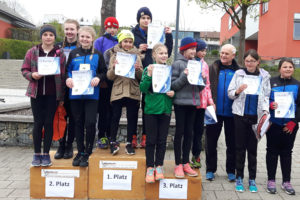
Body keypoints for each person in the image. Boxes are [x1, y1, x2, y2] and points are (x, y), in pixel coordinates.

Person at [21, 24, 66, 166]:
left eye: (51, 35)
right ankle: (36, 154)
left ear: (54, 37)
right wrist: (32, 75)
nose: (48, 37)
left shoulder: (59, 53)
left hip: (53, 94)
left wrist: (62, 97)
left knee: (48, 123)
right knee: (38, 122)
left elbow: (63, 75)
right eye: (45, 34)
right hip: (37, 93)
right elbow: (24, 69)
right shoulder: (32, 51)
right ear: (41, 36)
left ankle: (46, 154)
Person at [228, 49, 271, 192]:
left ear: (258, 61)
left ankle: (252, 178)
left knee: (253, 149)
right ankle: (239, 176)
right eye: (247, 61)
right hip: (240, 115)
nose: (250, 63)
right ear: (244, 61)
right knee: (239, 148)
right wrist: (238, 91)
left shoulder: (265, 76)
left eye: (252, 61)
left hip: (256, 117)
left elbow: (266, 96)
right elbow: (230, 93)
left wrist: (265, 113)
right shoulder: (239, 74)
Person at [131, 7, 173, 148]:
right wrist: (138, 49)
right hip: (138, 72)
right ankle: (132, 136)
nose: (146, 20)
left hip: (156, 73)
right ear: (138, 19)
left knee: (147, 104)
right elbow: (128, 50)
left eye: (148, 18)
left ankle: (145, 135)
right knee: (136, 105)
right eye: (143, 18)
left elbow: (167, 50)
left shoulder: (158, 32)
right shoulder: (133, 33)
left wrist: (169, 36)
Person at [66, 26, 107, 167]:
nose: (85, 39)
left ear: (92, 39)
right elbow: (67, 71)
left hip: (92, 95)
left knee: (90, 123)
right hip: (76, 95)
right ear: (79, 37)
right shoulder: (73, 53)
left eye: (87, 37)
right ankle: (80, 152)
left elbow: (104, 72)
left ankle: (88, 152)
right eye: (82, 36)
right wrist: (68, 79)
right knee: (77, 122)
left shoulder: (98, 54)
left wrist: (98, 78)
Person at [140, 43, 174, 183]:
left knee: (162, 140)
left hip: (165, 109)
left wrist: (173, 93)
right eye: (161, 53)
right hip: (151, 109)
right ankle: (149, 167)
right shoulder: (149, 68)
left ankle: (159, 166)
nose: (164, 56)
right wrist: (148, 75)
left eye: (165, 53)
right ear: (154, 55)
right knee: (151, 140)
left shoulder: (170, 70)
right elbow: (142, 88)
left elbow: (174, 86)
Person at [171, 37, 205, 178]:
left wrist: (203, 79)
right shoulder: (177, 64)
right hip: (180, 104)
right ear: (184, 49)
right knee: (179, 134)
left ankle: (186, 162)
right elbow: (173, 85)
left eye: (195, 49)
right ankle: (178, 164)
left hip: (193, 103)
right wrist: (185, 76)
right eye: (191, 48)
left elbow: (200, 88)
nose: (194, 51)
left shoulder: (196, 64)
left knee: (189, 134)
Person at [205, 44, 240, 181]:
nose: (223, 55)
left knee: (232, 143)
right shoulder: (212, 68)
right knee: (211, 142)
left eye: (227, 53)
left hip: (233, 113)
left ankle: (231, 170)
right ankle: (210, 169)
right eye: (222, 53)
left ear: (233, 56)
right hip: (214, 111)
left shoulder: (239, 71)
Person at [266, 58, 300, 195]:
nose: (288, 69)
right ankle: (271, 180)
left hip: (290, 125)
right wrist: (270, 105)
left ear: (293, 69)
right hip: (274, 124)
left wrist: (293, 123)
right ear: (279, 68)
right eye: (285, 67)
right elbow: (264, 99)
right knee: (272, 152)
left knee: (287, 153)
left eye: (290, 67)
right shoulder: (271, 82)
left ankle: (286, 181)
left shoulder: (297, 84)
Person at [107, 30, 143, 155]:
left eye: (130, 42)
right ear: (120, 42)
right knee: (115, 117)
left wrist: (138, 69)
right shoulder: (114, 56)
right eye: (125, 41)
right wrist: (114, 68)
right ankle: (113, 142)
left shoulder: (137, 56)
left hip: (133, 91)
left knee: (132, 118)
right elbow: (110, 76)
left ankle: (129, 143)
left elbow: (141, 76)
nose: (128, 44)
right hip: (118, 90)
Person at [55, 19, 80, 160]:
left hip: (76, 87)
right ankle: (61, 144)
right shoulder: (57, 47)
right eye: (67, 29)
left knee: (74, 118)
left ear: (77, 30)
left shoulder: (82, 46)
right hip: (60, 87)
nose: (69, 32)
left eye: (72, 29)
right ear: (64, 30)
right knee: (60, 117)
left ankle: (70, 145)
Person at [94, 17, 119, 149]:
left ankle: (111, 135)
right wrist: (101, 80)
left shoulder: (120, 41)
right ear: (105, 28)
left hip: (116, 81)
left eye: (115, 27)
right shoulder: (99, 41)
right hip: (104, 82)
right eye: (109, 27)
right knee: (103, 110)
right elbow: (97, 61)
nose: (112, 30)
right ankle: (102, 135)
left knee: (113, 110)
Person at [190, 39, 214, 169]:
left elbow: (208, 84)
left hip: (202, 102)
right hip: (191, 101)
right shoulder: (190, 62)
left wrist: (210, 101)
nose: (203, 53)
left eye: (205, 51)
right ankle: (185, 158)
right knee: (189, 132)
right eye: (201, 50)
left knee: (199, 131)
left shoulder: (205, 65)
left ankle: (196, 155)